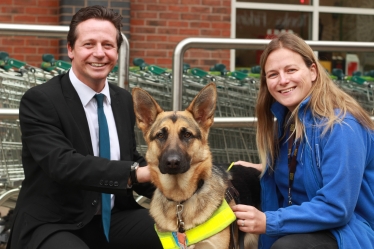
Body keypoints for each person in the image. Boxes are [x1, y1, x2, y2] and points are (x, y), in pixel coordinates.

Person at [7, 5, 163, 249]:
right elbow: (63, 164)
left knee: (182, 234)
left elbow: (127, 157)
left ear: (117, 51)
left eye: (108, 45)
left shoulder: (122, 100)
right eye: (89, 44)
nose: (99, 53)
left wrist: (189, 186)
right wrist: (134, 173)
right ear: (71, 49)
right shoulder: (40, 100)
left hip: (115, 218)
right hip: (55, 222)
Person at [232, 33, 374, 249]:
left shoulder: (342, 126)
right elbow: (308, 167)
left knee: (287, 247)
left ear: (313, 71)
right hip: (308, 226)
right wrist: (263, 168)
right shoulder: (286, 122)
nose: (283, 80)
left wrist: (268, 221)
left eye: (291, 70)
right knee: (237, 178)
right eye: (273, 74)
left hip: (350, 233)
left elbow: (337, 207)